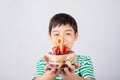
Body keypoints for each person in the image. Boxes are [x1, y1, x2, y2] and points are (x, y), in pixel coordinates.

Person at [33, 13, 95, 80]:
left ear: (76, 36)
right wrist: (50, 75)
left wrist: (71, 77)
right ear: (50, 36)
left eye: (68, 34)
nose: (62, 39)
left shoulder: (84, 61)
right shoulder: (43, 62)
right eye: (56, 34)